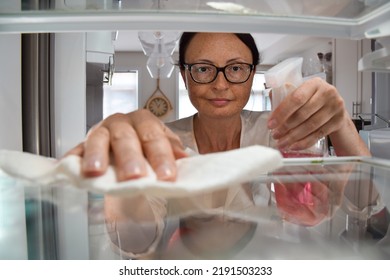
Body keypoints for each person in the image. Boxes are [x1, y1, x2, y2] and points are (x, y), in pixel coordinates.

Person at [67, 32, 371, 258]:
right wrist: (124, 182)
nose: (221, 84)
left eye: (236, 68)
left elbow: (365, 204)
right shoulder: (165, 142)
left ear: (253, 75)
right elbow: (134, 244)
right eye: (202, 68)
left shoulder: (279, 129)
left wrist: (340, 121)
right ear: (185, 76)